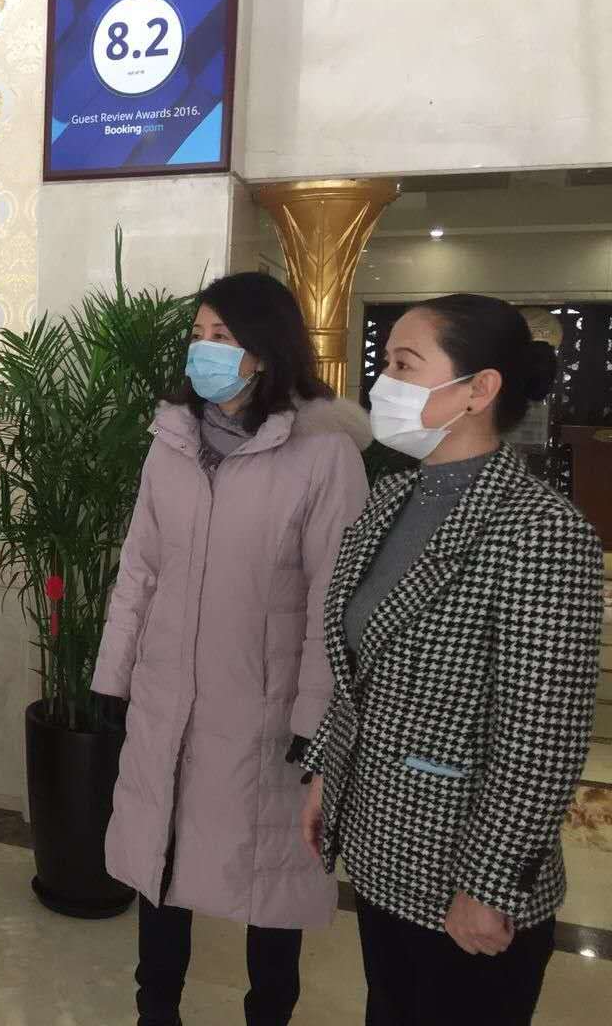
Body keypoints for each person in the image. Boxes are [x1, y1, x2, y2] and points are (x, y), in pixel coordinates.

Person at [299, 295, 602, 1026]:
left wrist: (490, 884)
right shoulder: (389, 500)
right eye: (385, 364)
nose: (382, 384)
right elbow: (359, 667)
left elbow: (544, 734)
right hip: (382, 847)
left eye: (405, 366)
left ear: (479, 389)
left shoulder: (541, 529)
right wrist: (325, 775)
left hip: (464, 868)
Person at [91, 272, 372, 1026]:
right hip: (166, 698)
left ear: (266, 349)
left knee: (269, 877)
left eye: (223, 336)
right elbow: (140, 568)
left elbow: (334, 600)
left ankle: (268, 1012)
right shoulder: (172, 442)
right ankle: (156, 1009)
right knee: (159, 857)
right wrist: (113, 677)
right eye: (198, 334)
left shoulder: (324, 454)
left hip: (265, 714)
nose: (203, 350)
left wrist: (315, 719)